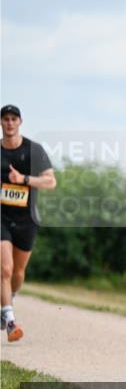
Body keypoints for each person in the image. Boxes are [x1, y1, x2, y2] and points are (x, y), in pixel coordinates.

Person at [1, 105, 57, 342]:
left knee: (18, 272)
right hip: (1, 216)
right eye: (5, 119)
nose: (10, 123)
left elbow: (50, 181)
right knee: (5, 268)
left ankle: (8, 298)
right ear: (1, 123)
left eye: (14, 119)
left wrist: (23, 179)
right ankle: (10, 321)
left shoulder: (34, 150)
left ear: (20, 122)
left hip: (27, 218)